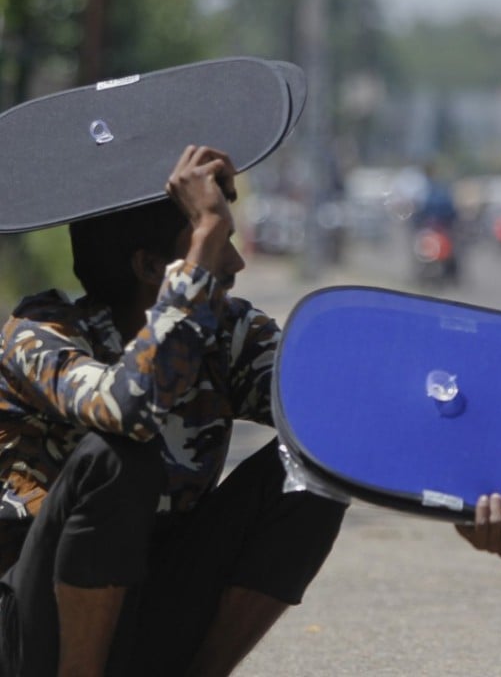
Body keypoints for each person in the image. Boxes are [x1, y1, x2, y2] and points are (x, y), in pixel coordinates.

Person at [0, 145, 347, 677]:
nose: (234, 262)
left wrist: (477, 502)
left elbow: (346, 414)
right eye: (216, 244)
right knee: (118, 457)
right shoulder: (40, 334)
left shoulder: (226, 333)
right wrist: (204, 233)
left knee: (315, 462)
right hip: (34, 632)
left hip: (150, 607)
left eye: (224, 239)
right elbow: (128, 408)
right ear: (149, 266)